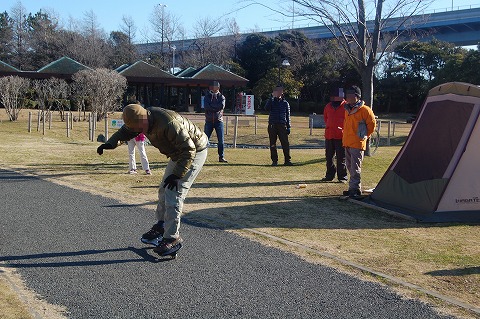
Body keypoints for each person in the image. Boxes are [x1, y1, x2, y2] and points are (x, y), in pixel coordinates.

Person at [97, 104, 208, 256]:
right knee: (163, 189)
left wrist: (177, 175)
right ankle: (162, 225)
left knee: (174, 194)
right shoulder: (140, 121)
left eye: (140, 126)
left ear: (145, 117)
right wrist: (110, 143)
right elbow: (125, 131)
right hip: (178, 154)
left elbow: (189, 150)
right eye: (136, 128)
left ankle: (172, 238)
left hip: (194, 151)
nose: (139, 130)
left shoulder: (169, 123)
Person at [342, 85, 376, 198]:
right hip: (347, 142)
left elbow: (372, 126)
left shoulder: (365, 110)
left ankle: (354, 189)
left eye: (349, 94)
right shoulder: (346, 109)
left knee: (355, 168)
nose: (347, 97)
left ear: (357, 96)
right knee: (349, 165)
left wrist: (363, 136)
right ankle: (354, 188)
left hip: (357, 143)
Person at [322, 87, 347, 182]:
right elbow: (326, 118)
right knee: (329, 157)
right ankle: (329, 175)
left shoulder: (346, 106)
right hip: (329, 135)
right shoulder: (328, 106)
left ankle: (342, 177)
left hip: (341, 136)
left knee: (341, 157)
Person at [265, 85, 292, 166]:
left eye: (280, 91)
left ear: (282, 92)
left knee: (285, 143)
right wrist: (271, 98)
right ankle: (274, 160)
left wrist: (288, 126)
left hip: (282, 125)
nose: (279, 93)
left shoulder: (285, 103)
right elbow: (266, 108)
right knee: (273, 143)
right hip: (273, 125)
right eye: (277, 91)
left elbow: (288, 115)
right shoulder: (271, 101)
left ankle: (287, 160)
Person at [204, 80, 228, 163]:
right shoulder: (207, 96)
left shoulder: (222, 96)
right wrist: (215, 108)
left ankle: (221, 157)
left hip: (219, 121)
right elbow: (206, 106)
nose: (214, 89)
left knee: (221, 140)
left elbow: (221, 106)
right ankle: (203, 157)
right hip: (209, 121)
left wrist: (212, 108)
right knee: (205, 140)